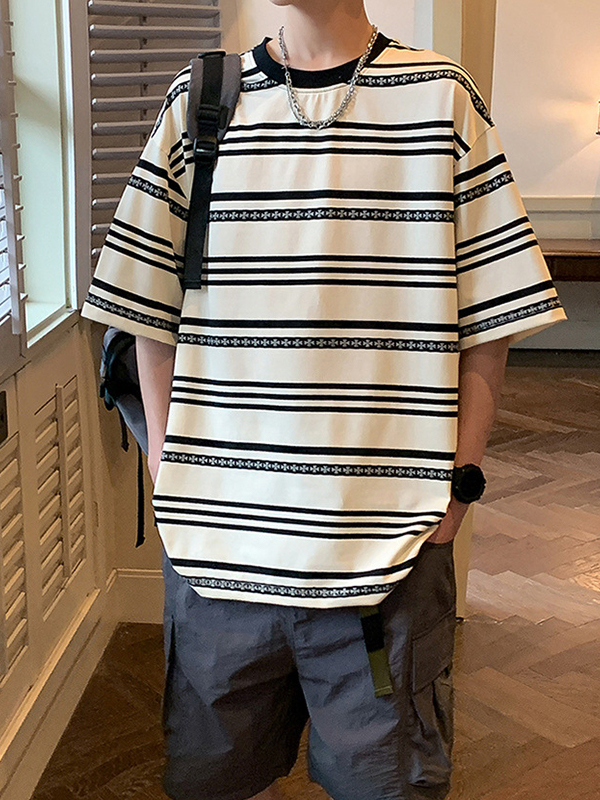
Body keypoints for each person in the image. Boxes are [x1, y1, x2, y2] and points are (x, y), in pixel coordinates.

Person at [80, 1, 566, 798]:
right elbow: (144, 309)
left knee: (387, 785)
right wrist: (171, 476)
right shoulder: (201, 100)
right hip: (220, 551)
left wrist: (458, 487)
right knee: (212, 780)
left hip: (389, 550)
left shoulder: (441, 98)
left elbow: (491, 318)